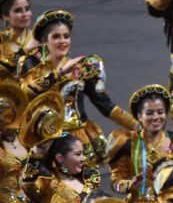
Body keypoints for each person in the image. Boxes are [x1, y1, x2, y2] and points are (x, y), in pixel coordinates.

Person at [18, 10, 137, 166]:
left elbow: (104, 104)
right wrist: (59, 73)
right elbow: (25, 94)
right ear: (44, 40)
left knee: (82, 186)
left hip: (78, 139)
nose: (62, 41)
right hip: (45, 139)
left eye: (66, 36)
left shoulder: (82, 68)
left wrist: (137, 125)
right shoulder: (34, 69)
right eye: (56, 37)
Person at [0, 0, 35, 78]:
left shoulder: (40, 41)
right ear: (6, 16)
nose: (25, 14)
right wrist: (25, 50)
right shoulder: (1, 41)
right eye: (18, 11)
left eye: (27, 9)